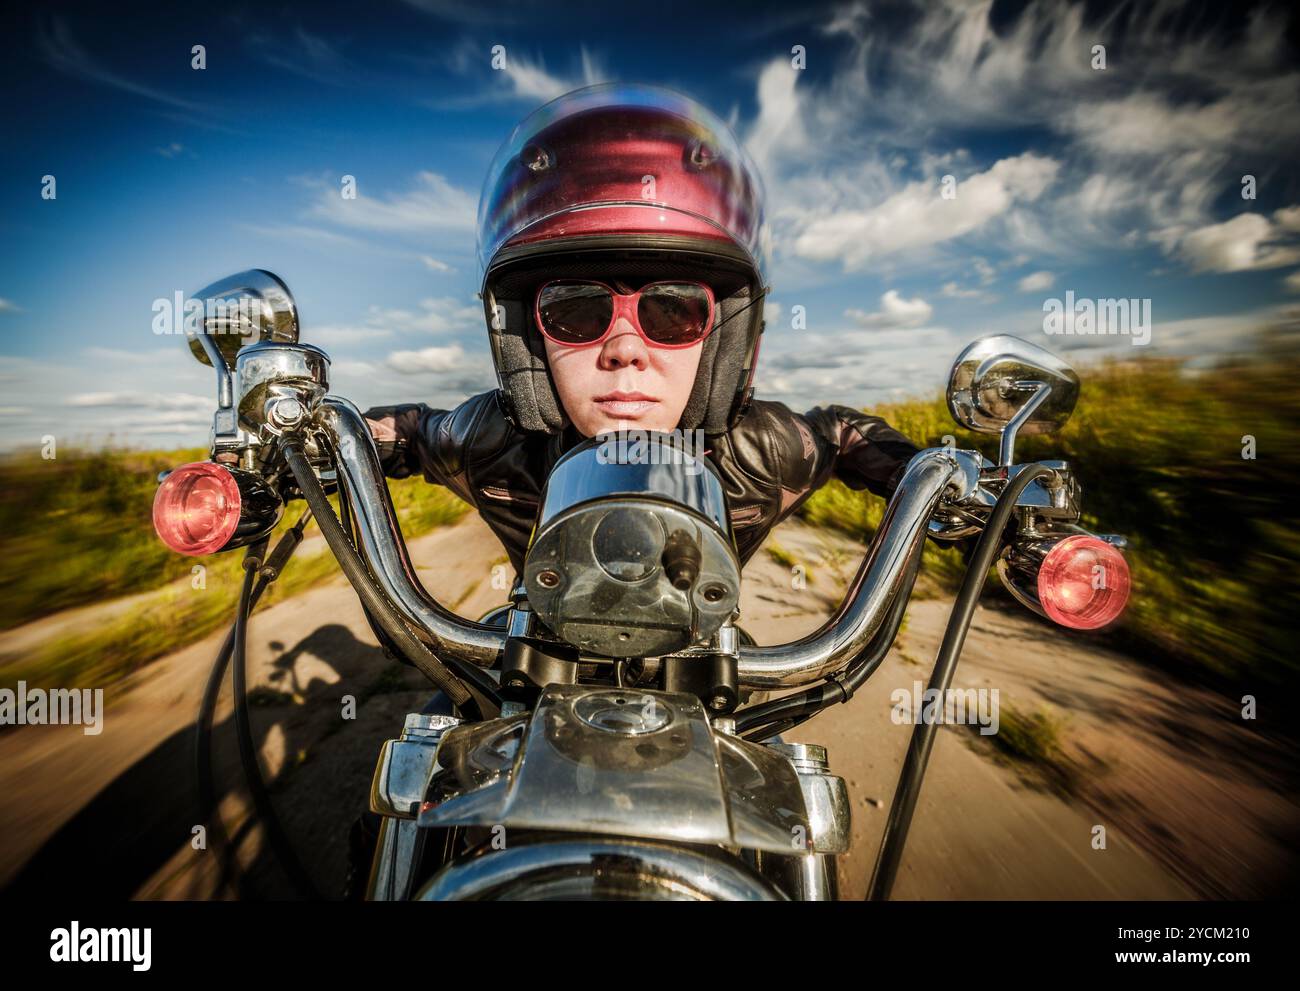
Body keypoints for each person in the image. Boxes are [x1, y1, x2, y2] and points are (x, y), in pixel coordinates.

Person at [362, 83, 920, 584]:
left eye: (672, 312)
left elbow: (842, 435)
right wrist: (304, 443)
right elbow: (409, 432)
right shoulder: (488, 442)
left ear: (723, 340)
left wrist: (937, 479)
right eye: (575, 311)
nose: (625, 350)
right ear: (529, 344)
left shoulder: (765, 452)